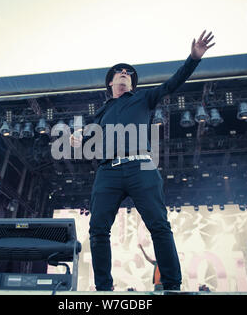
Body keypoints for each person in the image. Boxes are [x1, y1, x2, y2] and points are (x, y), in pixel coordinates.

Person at [71, 30, 215, 291]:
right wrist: (78, 136)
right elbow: (89, 133)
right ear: (111, 82)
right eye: (120, 71)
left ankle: (171, 285)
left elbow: (172, 83)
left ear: (132, 83)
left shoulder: (143, 98)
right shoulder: (102, 111)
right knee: (98, 230)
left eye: (128, 72)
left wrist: (193, 58)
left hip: (141, 167)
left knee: (159, 225)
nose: (124, 72)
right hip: (108, 172)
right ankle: (104, 289)